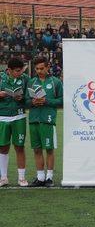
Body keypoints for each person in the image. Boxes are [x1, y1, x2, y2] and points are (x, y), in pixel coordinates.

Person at [25, 56, 63, 187]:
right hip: (34, 119)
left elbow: (61, 100)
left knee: (49, 149)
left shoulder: (55, 82)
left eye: (42, 68)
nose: (39, 71)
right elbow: (26, 101)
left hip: (48, 120)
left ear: (48, 67)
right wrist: (33, 102)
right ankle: (40, 178)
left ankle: (49, 178)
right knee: (36, 149)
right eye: (37, 68)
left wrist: (47, 101)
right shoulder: (31, 82)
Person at [0, 57, 29, 187]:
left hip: (19, 116)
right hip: (3, 117)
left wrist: (22, 99)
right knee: (3, 148)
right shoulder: (1, 78)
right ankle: (4, 177)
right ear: (9, 70)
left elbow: (30, 97)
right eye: (17, 71)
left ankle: (21, 178)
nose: (20, 73)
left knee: (19, 147)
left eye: (21, 70)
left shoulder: (25, 79)